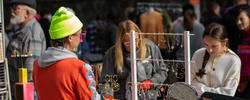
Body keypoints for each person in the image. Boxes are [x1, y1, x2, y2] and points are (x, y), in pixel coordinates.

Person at [32, 7, 100, 100]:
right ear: (70, 38)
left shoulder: (37, 65)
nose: (81, 39)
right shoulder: (79, 67)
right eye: (80, 34)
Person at [100, 20, 168, 100]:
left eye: (136, 40)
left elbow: (162, 71)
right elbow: (106, 81)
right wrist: (108, 96)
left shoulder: (150, 48)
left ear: (139, 36)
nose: (134, 45)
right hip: (121, 97)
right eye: (128, 43)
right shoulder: (111, 54)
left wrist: (151, 82)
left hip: (148, 97)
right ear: (121, 41)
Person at [6, 0, 46, 98]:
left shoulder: (32, 33)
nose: (12, 11)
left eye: (16, 9)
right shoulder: (24, 30)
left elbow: (30, 75)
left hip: (25, 95)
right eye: (12, 8)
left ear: (27, 13)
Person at [191, 23, 241, 96]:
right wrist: (215, 91)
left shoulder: (233, 60)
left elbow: (228, 93)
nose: (209, 50)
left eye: (214, 46)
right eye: (206, 44)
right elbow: (190, 83)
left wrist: (202, 89)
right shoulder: (198, 54)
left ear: (225, 42)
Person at [235, 5, 250, 99]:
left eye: (241, 19)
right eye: (237, 19)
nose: (238, 22)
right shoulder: (240, 37)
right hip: (240, 82)